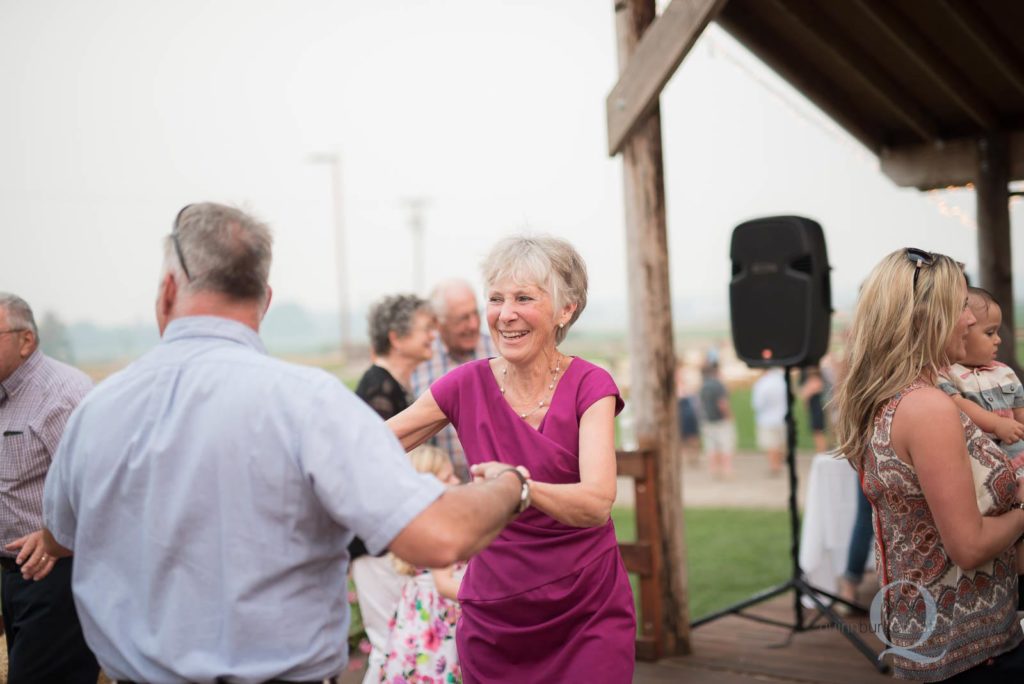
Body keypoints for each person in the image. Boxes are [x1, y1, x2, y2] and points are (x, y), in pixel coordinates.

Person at [17, 202, 527, 683]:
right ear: (265, 299)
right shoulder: (308, 404)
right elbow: (438, 537)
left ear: (169, 291)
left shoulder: (96, 411)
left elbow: (63, 532)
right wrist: (510, 486)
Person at [389, 235, 636, 682]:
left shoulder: (591, 385)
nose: (506, 314)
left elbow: (598, 502)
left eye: (524, 298)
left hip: (587, 610)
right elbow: (375, 444)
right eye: (496, 299)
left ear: (566, 310)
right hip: (497, 616)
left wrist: (519, 487)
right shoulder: (463, 385)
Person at [833, 247, 1024, 681]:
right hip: (970, 655)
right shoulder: (928, 408)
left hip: (940, 643)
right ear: (926, 317)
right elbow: (969, 546)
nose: (972, 319)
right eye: (959, 307)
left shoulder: (895, 397)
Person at [0, 293, 98, 682]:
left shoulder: (63, 395)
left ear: (26, 341)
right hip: (15, 578)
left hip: (58, 577)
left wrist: (52, 535)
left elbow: (96, 490)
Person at [352, 293, 437, 684]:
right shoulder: (378, 392)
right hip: (374, 542)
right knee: (390, 642)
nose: (434, 336)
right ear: (396, 337)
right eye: (425, 329)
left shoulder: (393, 387)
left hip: (387, 538)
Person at [380, 445, 464, 684]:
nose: (458, 481)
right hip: (440, 618)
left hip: (419, 615)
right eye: (448, 478)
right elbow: (444, 584)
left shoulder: (417, 522)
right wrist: (490, 599)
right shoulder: (438, 527)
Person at [410, 279, 494, 482]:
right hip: (445, 491)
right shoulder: (420, 361)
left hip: (497, 488)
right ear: (439, 323)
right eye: (463, 319)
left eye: (476, 314)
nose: (473, 324)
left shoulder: (498, 350)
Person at [936, 287, 1024, 477]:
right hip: (983, 467)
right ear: (963, 331)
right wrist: (996, 425)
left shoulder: (1004, 373)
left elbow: (1020, 411)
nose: (998, 340)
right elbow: (958, 404)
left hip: (1018, 458)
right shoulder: (946, 375)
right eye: (990, 333)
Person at [697, 362, 735, 478]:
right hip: (721, 420)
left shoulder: (703, 386)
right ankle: (727, 470)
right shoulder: (719, 385)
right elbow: (722, 403)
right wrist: (729, 416)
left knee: (711, 446)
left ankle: (714, 470)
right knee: (725, 445)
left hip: (707, 420)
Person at [751, 367, 786, 476]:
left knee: (771, 445)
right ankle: (778, 464)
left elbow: (757, 403)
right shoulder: (782, 381)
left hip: (767, 418)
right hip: (782, 416)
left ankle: (774, 466)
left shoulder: (762, 383)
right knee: (780, 443)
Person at [798, 366, 829, 453]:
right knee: (817, 431)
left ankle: (822, 451)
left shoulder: (815, 381)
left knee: (818, 432)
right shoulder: (815, 380)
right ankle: (821, 450)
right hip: (814, 408)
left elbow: (804, 393)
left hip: (817, 409)